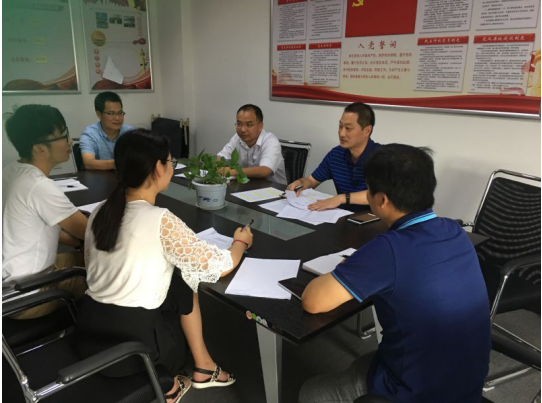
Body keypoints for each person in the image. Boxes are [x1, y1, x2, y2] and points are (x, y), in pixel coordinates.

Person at [299, 144, 491, 403]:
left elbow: (313, 302)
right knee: (361, 364)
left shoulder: (388, 249)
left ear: (381, 200)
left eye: (368, 189)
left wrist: (355, 265)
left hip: (419, 393)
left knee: (309, 392)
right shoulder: (453, 230)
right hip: (467, 380)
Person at [75, 129, 254, 402]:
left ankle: (203, 366)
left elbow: (92, 267)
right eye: (170, 161)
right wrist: (240, 242)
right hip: (137, 346)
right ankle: (172, 385)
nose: (171, 167)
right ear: (158, 168)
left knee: (184, 275)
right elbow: (221, 266)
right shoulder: (160, 220)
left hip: (89, 329)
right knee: (187, 273)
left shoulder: (100, 210)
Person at [2, 104, 88, 319]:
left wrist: (76, 242)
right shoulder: (38, 186)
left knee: (88, 257)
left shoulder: (11, 171)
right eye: (63, 136)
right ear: (39, 148)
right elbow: (90, 232)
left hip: (11, 284)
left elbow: (37, 228)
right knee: (109, 275)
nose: (70, 141)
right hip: (27, 296)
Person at [287, 102, 379, 211]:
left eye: (348, 128)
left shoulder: (382, 157)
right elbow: (311, 180)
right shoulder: (336, 154)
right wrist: (300, 183)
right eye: (340, 126)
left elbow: (380, 195)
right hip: (342, 216)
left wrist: (341, 198)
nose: (341, 133)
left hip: (374, 218)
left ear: (367, 130)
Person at [217, 104, 287, 185]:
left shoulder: (270, 141)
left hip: (274, 189)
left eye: (249, 125)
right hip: (247, 187)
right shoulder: (237, 138)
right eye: (239, 124)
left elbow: (265, 171)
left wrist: (232, 171)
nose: (243, 129)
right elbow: (219, 158)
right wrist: (219, 167)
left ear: (260, 126)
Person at [79, 91, 134, 170]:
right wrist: (118, 163)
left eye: (120, 113)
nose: (117, 118)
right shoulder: (90, 134)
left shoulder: (130, 132)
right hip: (99, 177)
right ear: (99, 114)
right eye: (111, 113)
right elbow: (88, 163)